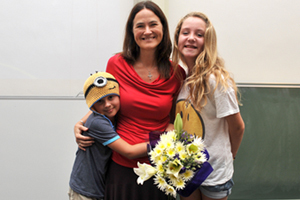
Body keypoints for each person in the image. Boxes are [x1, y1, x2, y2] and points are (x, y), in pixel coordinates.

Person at [73, 1, 185, 200]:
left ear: (163, 28)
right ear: (132, 31)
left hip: (159, 168)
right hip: (121, 167)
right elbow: (104, 104)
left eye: (153, 24)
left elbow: (173, 122)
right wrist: (80, 123)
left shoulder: (177, 73)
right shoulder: (116, 64)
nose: (147, 31)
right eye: (140, 26)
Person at [172, 12, 245, 200]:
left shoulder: (215, 80)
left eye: (199, 34)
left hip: (214, 172)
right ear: (177, 38)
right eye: (185, 32)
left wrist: (230, 157)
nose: (191, 38)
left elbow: (237, 127)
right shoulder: (181, 78)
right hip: (187, 169)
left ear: (208, 41)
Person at [69, 72, 149, 200]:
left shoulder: (112, 115)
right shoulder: (98, 122)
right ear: (93, 106)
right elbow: (129, 151)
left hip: (97, 187)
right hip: (85, 190)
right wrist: (162, 142)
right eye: (100, 101)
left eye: (111, 97)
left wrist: (80, 121)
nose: (107, 104)